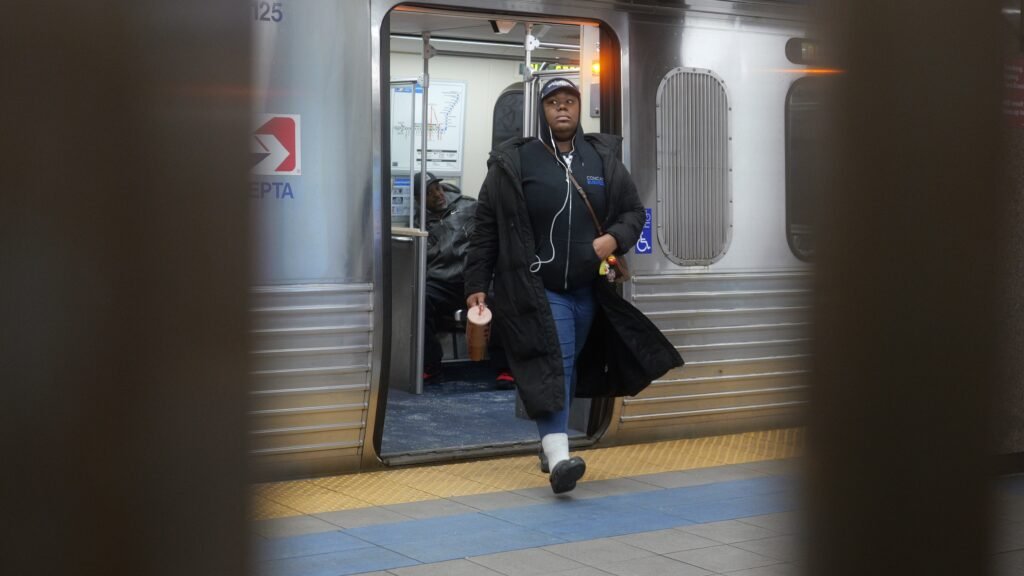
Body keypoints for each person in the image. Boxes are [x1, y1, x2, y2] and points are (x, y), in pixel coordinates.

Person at [464, 78, 649, 494]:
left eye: (569, 101)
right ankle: (561, 459)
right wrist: (476, 281)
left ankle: (550, 446)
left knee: (565, 365)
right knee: (557, 362)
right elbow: (486, 227)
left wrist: (613, 239)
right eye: (553, 103)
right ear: (542, 110)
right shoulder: (516, 161)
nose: (562, 108)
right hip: (536, 287)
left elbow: (634, 212)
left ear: (579, 108)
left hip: (588, 290)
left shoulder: (601, 159)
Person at [415, 172, 514, 386]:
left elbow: (491, 229)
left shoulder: (468, 206)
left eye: (438, 188)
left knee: (500, 300)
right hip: (443, 282)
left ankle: (506, 368)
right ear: (419, 200)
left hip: (474, 278)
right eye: (429, 193)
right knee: (419, 301)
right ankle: (430, 366)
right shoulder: (419, 222)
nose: (438, 194)